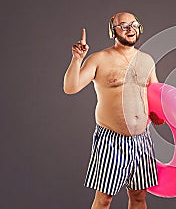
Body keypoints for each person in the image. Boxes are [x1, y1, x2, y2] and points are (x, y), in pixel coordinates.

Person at [64, 12, 164, 209]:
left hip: (142, 140)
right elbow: (70, 87)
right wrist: (77, 59)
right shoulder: (99, 59)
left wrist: (158, 115)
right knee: (104, 200)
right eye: (124, 25)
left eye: (134, 24)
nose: (130, 29)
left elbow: (156, 94)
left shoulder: (147, 60)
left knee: (138, 197)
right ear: (113, 31)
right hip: (111, 140)